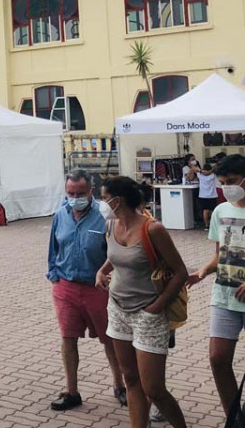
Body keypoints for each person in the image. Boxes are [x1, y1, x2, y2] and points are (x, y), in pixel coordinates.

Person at [95, 176, 188, 428]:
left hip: (148, 313)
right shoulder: (110, 226)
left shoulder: (152, 228)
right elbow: (116, 256)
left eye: (104, 198)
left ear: (118, 200)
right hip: (117, 309)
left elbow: (180, 271)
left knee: (154, 388)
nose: (101, 203)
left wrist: (157, 306)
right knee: (131, 380)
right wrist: (102, 271)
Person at [46, 169, 126, 411]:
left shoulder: (105, 215)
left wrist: (109, 276)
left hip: (97, 288)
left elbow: (116, 250)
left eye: (80, 193)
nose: (75, 197)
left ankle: (120, 385)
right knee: (68, 338)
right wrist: (54, 276)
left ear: (91, 191)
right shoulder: (60, 215)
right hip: (66, 286)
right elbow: (53, 248)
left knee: (110, 339)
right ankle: (71, 391)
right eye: (70, 193)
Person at [187, 154, 245, 416]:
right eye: (222, 183)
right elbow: (220, 254)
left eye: (232, 181)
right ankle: (234, 417)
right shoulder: (221, 211)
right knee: (217, 359)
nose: (227, 187)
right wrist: (201, 271)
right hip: (224, 297)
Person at [197, 164, 219, 230]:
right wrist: (212, 169)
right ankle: (213, 225)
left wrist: (201, 170)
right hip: (212, 195)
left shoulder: (199, 175)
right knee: (213, 210)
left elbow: (194, 169)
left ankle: (206, 225)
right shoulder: (213, 175)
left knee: (205, 210)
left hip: (202, 195)